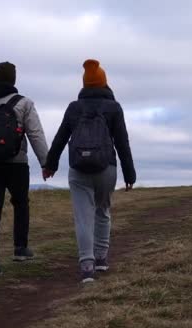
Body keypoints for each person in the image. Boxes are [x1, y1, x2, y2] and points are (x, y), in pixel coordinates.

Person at [43, 59, 136, 283]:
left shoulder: (74, 108)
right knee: (102, 211)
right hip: (107, 168)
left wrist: (50, 165)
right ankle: (102, 259)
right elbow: (122, 143)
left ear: (85, 84)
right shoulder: (113, 107)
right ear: (104, 83)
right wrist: (129, 174)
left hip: (78, 170)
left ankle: (87, 266)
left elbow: (60, 139)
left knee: (83, 218)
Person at [0, 61, 49, 277]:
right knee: (21, 203)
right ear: (14, 80)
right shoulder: (24, 103)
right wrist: (46, 162)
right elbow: (35, 134)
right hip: (17, 163)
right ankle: (20, 248)